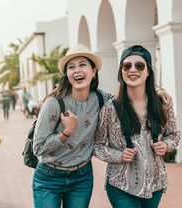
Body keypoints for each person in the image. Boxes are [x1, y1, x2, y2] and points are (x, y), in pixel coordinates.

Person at [32, 44, 173, 208]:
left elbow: (131, 91)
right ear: (67, 75)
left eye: (82, 65)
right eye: (71, 67)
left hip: (81, 177)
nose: (77, 70)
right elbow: (38, 148)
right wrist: (66, 132)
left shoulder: (101, 99)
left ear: (93, 72)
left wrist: (158, 90)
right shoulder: (54, 103)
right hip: (49, 176)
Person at [93, 45, 181, 208]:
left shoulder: (162, 104)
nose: (132, 69)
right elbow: (97, 146)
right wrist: (118, 155)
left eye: (139, 65)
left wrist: (166, 145)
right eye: (127, 66)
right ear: (121, 72)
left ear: (148, 72)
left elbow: (174, 135)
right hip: (120, 184)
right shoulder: (110, 108)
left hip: (155, 184)